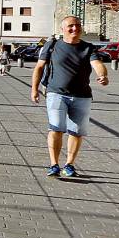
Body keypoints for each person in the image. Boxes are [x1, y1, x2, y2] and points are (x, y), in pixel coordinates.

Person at [30, 15, 108, 179]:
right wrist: (34, 89)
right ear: (63, 29)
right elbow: (39, 67)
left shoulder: (88, 48)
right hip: (56, 93)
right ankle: (54, 164)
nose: (75, 28)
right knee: (56, 127)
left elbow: (97, 64)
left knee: (77, 132)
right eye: (71, 26)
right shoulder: (52, 45)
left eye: (78, 25)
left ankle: (69, 164)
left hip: (82, 96)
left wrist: (103, 75)